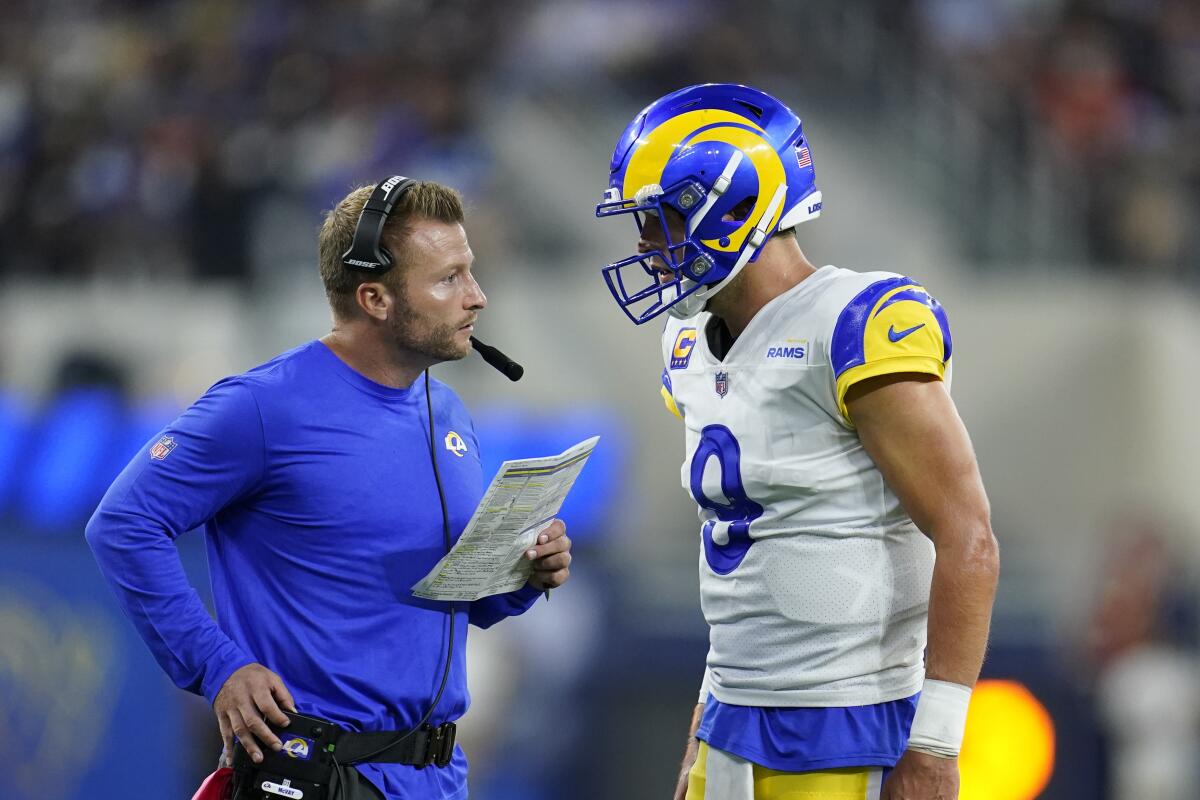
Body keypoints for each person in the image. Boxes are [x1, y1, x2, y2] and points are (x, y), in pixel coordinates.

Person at [86, 177, 573, 800]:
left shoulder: (445, 410)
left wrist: (522, 577)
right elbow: (123, 524)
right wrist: (216, 666)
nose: (476, 298)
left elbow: (442, 603)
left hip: (435, 779)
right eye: (449, 279)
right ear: (374, 297)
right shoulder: (262, 408)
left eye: (470, 273)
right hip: (310, 775)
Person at [594, 84, 999, 800]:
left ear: (733, 206)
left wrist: (936, 746)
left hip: (848, 725)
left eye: (658, 220)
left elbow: (968, 536)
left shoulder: (855, 322)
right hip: (732, 725)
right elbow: (741, 568)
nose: (644, 246)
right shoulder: (688, 341)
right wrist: (702, 728)